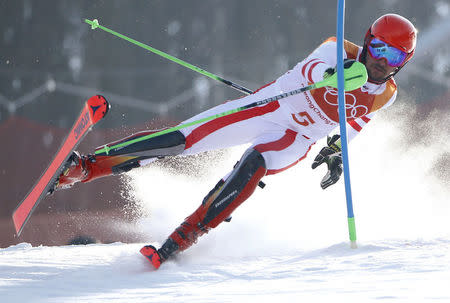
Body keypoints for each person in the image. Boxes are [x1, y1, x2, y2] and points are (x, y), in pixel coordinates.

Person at [54, 13, 417, 269]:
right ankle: (85, 168)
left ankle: (184, 237)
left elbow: (357, 122)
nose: (383, 61)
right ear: (369, 42)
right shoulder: (334, 50)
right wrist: (337, 75)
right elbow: (317, 73)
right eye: (380, 49)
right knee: (182, 138)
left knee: (250, 169)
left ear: (404, 61)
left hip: (295, 138)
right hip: (265, 109)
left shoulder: (387, 94)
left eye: (395, 57)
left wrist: (337, 148)